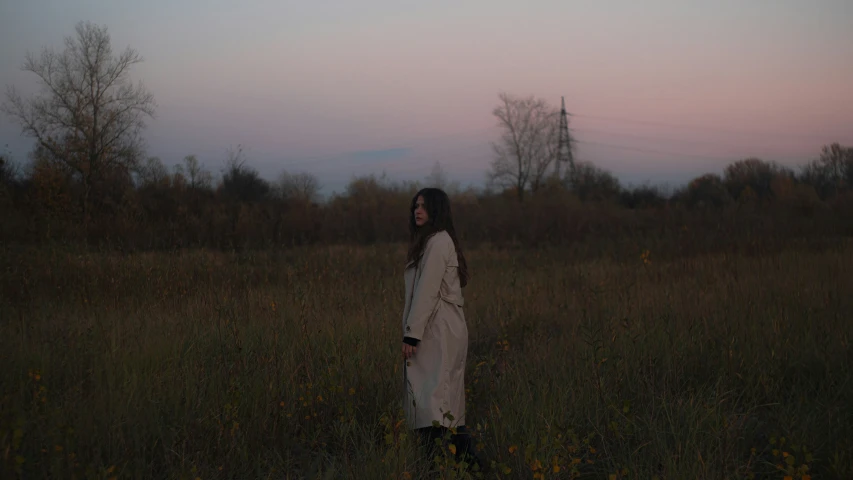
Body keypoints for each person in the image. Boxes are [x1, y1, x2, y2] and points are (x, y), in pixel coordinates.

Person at [400, 187, 485, 471]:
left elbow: (426, 291)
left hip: (438, 330)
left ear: (437, 210)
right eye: (416, 206)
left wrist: (412, 333)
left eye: (424, 206)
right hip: (439, 328)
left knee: (433, 401)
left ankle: (442, 467)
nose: (417, 210)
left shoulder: (437, 242)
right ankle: (464, 465)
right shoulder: (431, 241)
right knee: (440, 401)